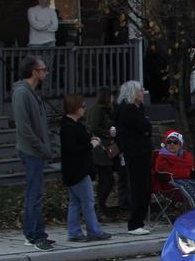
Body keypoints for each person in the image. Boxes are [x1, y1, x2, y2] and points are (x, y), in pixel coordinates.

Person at [13, 56, 54, 250]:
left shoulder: (32, 93)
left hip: (37, 151)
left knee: (36, 194)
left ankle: (36, 232)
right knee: (34, 194)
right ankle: (34, 235)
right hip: (31, 151)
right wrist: (41, 147)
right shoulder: (22, 93)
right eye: (43, 69)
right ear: (33, 72)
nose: (45, 72)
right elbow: (24, 127)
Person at [60, 94, 111, 242]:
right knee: (88, 201)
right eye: (82, 106)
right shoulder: (68, 127)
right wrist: (91, 145)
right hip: (78, 170)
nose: (84, 109)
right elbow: (73, 148)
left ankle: (74, 232)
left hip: (75, 170)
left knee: (75, 202)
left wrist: (90, 139)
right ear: (74, 108)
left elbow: (79, 141)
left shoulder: (74, 125)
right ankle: (93, 230)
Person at [114, 80, 153, 235]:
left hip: (142, 151)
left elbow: (147, 128)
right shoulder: (128, 110)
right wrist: (146, 128)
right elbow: (145, 126)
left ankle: (139, 220)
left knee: (144, 186)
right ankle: (135, 223)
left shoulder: (138, 108)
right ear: (132, 93)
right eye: (139, 91)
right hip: (135, 153)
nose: (142, 93)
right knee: (138, 186)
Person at [86, 87, 119, 220]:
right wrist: (108, 133)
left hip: (108, 149)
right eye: (110, 96)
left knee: (107, 180)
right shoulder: (98, 110)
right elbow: (94, 128)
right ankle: (100, 208)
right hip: (101, 150)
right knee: (106, 180)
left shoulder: (108, 110)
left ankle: (102, 207)